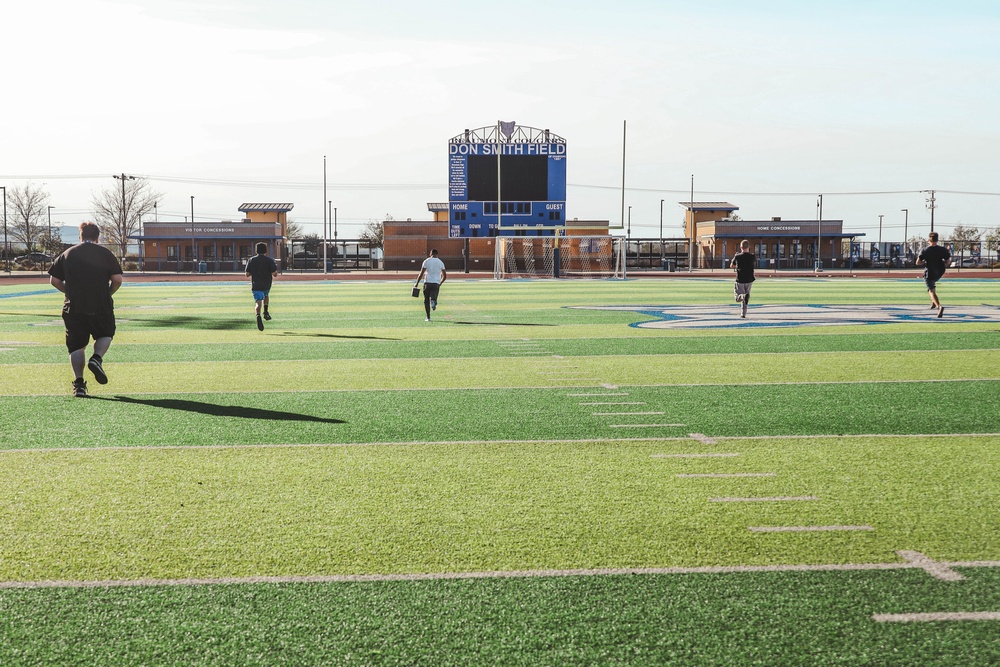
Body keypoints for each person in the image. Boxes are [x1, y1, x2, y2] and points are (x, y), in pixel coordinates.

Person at [48, 222, 124, 397]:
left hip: (74, 306)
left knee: (76, 346)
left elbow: (54, 280)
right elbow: (117, 279)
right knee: (105, 334)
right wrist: (108, 293)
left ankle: (79, 385)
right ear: (97, 237)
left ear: (80, 236)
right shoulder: (105, 253)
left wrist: (71, 292)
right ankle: (96, 358)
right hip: (100, 304)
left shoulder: (68, 253)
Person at [916, 231, 951, 318]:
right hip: (940, 271)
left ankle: (939, 306)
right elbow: (948, 261)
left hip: (930, 272)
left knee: (931, 290)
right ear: (937, 240)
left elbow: (918, 262)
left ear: (929, 240)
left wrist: (924, 261)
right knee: (932, 285)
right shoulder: (942, 249)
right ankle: (933, 303)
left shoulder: (925, 250)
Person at [245, 242, 278, 330]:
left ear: (256, 251)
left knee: (258, 302)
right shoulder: (269, 260)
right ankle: (266, 311)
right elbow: (275, 274)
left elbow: (247, 274)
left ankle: (258, 315)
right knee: (266, 296)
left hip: (256, 285)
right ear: (265, 250)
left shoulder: (251, 260)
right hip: (266, 284)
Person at [414, 248, 447, 322]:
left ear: (430, 254)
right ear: (437, 254)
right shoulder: (440, 262)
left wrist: (416, 283)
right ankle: (433, 300)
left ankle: (428, 317)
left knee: (426, 300)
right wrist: (440, 283)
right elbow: (445, 276)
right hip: (436, 283)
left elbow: (421, 273)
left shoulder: (426, 261)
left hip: (427, 282)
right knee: (434, 297)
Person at [730, 239, 756, 318]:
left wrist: (734, 257)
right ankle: (743, 314)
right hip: (749, 280)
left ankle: (742, 297)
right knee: (745, 298)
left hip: (740, 279)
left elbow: (732, 266)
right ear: (749, 247)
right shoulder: (752, 257)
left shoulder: (737, 256)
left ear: (741, 247)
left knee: (738, 297)